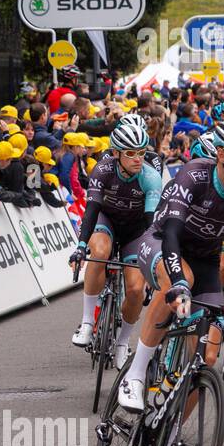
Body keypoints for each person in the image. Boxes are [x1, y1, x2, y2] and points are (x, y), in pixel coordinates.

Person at [123, 117, 224, 419]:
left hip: (206, 261)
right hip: (162, 244)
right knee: (180, 279)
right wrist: (178, 283)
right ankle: (134, 375)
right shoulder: (195, 175)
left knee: (206, 360)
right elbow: (172, 231)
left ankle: (165, 439)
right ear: (223, 155)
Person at [68, 120, 164, 367]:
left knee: (135, 290)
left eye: (141, 153)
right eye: (131, 153)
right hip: (106, 220)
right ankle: (88, 322)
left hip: (135, 229)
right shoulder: (103, 169)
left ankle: (122, 342)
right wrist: (81, 247)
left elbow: (151, 224)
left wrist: (154, 263)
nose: (137, 159)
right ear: (116, 153)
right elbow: (91, 209)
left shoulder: (150, 177)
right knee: (100, 251)